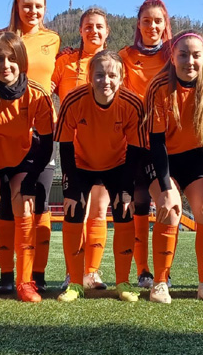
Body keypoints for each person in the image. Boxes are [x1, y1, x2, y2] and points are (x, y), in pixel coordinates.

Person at [0, 30, 56, 303]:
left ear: (22, 61)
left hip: (23, 160)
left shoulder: (36, 94)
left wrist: (29, 180)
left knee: (25, 205)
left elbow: (46, 144)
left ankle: (25, 283)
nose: (5, 65)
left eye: (12, 59)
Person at [145, 30, 203, 303]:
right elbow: (156, 143)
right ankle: (160, 283)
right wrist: (166, 188)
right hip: (163, 159)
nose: (189, 61)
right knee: (170, 209)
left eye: (196, 55)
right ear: (172, 56)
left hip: (196, 159)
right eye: (183, 54)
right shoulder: (159, 87)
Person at [55, 50, 145, 302]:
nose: (106, 80)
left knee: (124, 210)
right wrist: (70, 189)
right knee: (74, 210)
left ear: (121, 78)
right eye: (99, 75)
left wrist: (126, 189)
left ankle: (123, 282)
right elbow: (65, 145)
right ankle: (75, 283)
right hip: (81, 165)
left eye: (112, 75)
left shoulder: (132, 103)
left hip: (118, 165)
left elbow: (135, 150)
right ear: (89, 77)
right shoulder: (73, 100)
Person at [0, 0, 62, 294]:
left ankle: (38, 274)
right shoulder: (3, 38)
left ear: (45, 9)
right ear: (17, 6)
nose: (32, 11)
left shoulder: (53, 40)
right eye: (27, 5)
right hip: (7, 127)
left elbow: (59, 76)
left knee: (40, 202)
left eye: (38, 5)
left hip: (42, 127)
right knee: (9, 206)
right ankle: (6, 276)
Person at [52, 7, 113, 290]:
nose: (94, 31)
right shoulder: (65, 61)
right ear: (80, 31)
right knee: (75, 209)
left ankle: (92, 272)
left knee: (99, 210)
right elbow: (43, 87)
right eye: (88, 26)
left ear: (107, 31)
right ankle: (72, 272)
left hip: (106, 147)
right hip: (72, 148)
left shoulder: (115, 62)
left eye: (99, 26)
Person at [119, 0, 174, 288]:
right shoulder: (125, 55)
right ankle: (143, 271)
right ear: (138, 25)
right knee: (138, 205)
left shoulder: (174, 54)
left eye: (157, 21)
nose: (152, 26)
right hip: (134, 143)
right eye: (146, 21)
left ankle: (164, 272)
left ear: (165, 24)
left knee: (167, 202)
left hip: (166, 142)